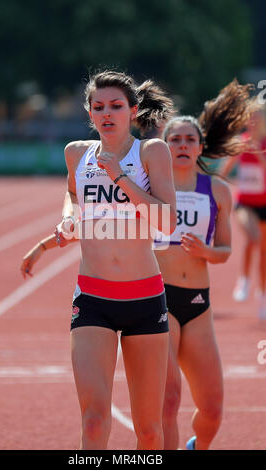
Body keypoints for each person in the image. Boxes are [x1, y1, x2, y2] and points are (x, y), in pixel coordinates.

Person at [21, 70, 177, 450]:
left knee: (150, 431)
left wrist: (121, 177)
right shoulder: (76, 153)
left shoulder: (151, 152)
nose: (107, 113)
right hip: (93, 299)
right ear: (90, 113)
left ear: (133, 110)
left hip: (143, 299)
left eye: (116, 106)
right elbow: (73, 195)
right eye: (98, 107)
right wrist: (68, 218)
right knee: (93, 423)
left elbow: (166, 220)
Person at [154, 79, 259, 450]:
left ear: (200, 147)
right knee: (168, 399)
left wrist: (204, 251)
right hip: (157, 300)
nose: (182, 145)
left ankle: (197, 446)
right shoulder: (149, 186)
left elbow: (226, 250)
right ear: (163, 147)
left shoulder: (217, 190)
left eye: (189, 140)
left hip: (198, 302)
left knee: (213, 409)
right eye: (175, 140)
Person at [220, 109, 266, 319]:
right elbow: (224, 169)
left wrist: (258, 152)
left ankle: (262, 295)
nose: (253, 124)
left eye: (257, 120)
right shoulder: (240, 142)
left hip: (263, 204)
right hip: (245, 203)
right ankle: (245, 280)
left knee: (264, 251)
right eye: (251, 120)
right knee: (252, 236)